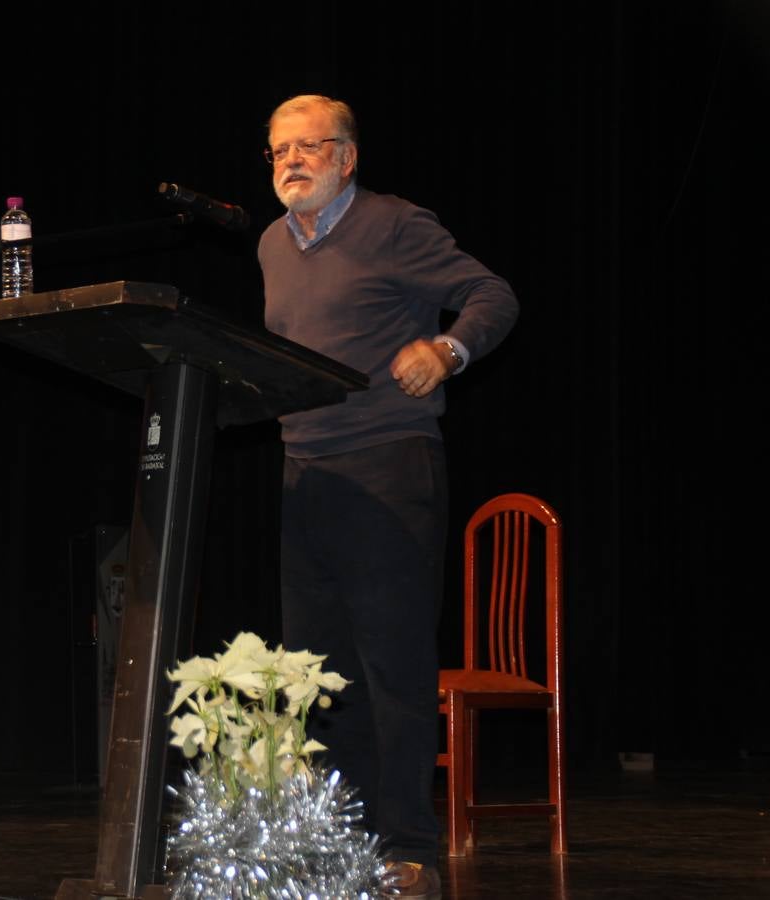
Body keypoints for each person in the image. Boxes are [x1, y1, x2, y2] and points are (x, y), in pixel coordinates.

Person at [258, 94, 519, 899]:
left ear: (346, 156)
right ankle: (339, 843)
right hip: (304, 475)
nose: (291, 162)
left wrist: (446, 349)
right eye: (277, 151)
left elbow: (493, 297)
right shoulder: (271, 243)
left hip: (386, 466)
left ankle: (408, 847)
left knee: (393, 671)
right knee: (318, 677)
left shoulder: (394, 224)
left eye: (309, 147)